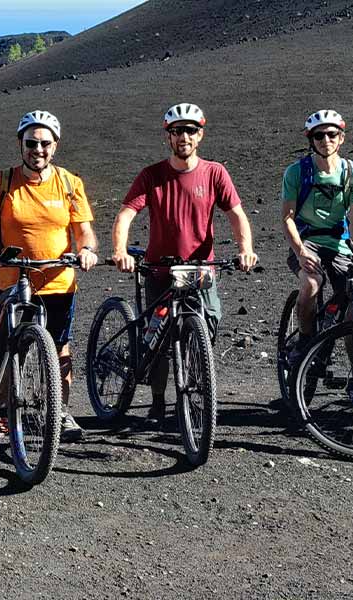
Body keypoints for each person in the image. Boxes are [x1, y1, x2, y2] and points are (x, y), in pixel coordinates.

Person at [0, 109, 98, 443]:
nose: (38, 149)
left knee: (59, 348)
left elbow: (84, 230)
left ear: (55, 146)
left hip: (58, 281)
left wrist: (87, 250)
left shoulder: (70, 184)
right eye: (31, 142)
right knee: (7, 347)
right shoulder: (2, 181)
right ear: (21, 144)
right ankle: (2, 412)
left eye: (45, 143)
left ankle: (59, 412)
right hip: (11, 281)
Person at [109, 103, 258, 430]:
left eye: (190, 130)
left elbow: (236, 215)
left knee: (209, 322)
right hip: (160, 271)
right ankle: (160, 403)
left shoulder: (215, 172)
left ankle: (194, 380)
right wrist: (120, 250)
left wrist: (245, 249)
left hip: (200, 272)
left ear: (200, 135)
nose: (184, 136)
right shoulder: (152, 175)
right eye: (177, 131)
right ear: (169, 137)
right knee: (159, 341)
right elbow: (126, 214)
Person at [281, 109, 353, 361]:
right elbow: (287, 217)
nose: (326, 140)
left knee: (352, 305)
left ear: (341, 138)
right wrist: (300, 252)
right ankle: (305, 343)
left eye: (332, 134)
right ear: (311, 140)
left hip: (340, 244)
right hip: (306, 241)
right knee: (310, 284)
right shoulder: (296, 173)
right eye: (319, 135)